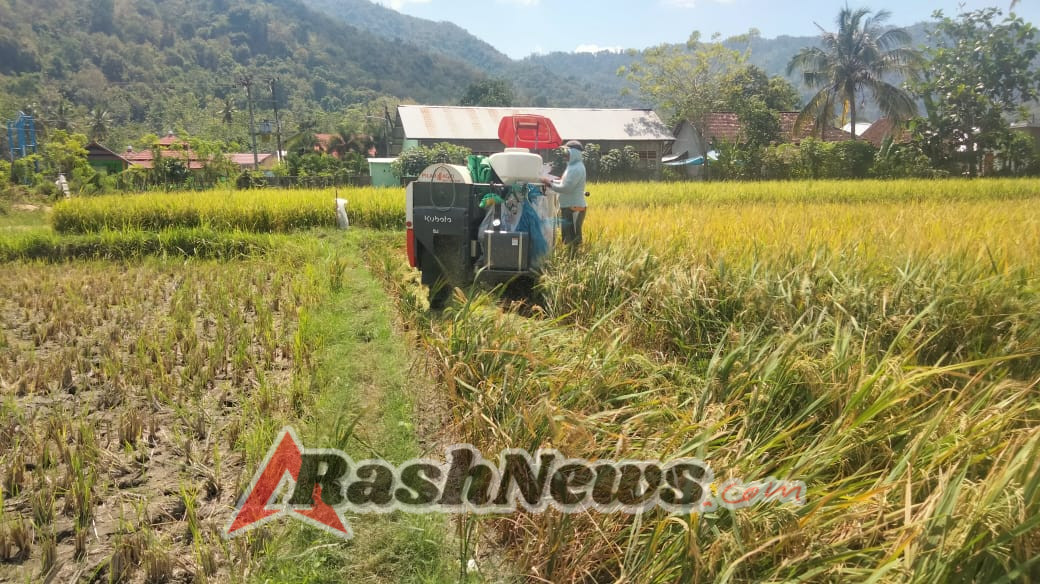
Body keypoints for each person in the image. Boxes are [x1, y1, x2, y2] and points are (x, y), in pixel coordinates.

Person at [542, 140, 587, 249]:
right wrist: (552, 181)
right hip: (568, 207)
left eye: (567, 152)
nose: (564, 155)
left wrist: (549, 184)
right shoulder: (572, 166)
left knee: (573, 239)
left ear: (574, 153)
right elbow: (564, 183)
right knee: (567, 238)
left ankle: (575, 261)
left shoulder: (576, 168)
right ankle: (571, 259)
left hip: (574, 208)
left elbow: (566, 188)